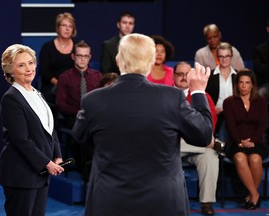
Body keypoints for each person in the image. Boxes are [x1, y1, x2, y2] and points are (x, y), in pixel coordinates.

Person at [71, 33, 213, 216]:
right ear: (151, 61)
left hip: (109, 201)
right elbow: (203, 136)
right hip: (163, 203)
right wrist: (199, 92)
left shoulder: (93, 100)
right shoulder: (172, 98)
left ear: (118, 59)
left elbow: (78, 136)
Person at [0, 44, 64, 216]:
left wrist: (57, 156)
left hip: (39, 174)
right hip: (21, 174)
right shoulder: (11, 98)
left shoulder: (36, 93)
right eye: (21, 65)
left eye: (31, 63)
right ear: (10, 71)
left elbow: (50, 129)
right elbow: (21, 140)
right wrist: (46, 163)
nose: (29, 68)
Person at [173, 61, 218, 215]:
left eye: (187, 74)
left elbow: (209, 123)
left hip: (194, 143)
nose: (184, 77)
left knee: (210, 155)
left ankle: (206, 202)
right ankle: (214, 144)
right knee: (209, 145)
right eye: (180, 74)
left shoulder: (203, 96)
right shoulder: (164, 95)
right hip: (173, 144)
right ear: (173, 76)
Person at [223, 69, 268, 210]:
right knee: (240, 158)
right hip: (236, 142)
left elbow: (263, 124)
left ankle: (250, 196)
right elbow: (230, 126)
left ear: (252, 85)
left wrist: (253, 141)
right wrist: (240, 142)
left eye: (247, 83)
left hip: (257, 142)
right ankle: (255, 195)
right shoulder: (229, 102)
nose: (243, 86)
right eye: (241, 82)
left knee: (255, 159)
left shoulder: (260, 101)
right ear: (237, 85)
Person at [56, 40, 102, 129]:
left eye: (86, 56)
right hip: (73, 117)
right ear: (73, 56)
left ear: (90, 57)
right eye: (79, 55)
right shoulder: (64, 77)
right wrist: (77, 111)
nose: (83, 59)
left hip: (93, 116)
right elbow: (60, 104)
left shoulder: (98, 76)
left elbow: (102, 100)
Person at [39, 12, 77, 105]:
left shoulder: (78, 47)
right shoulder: (47, 47)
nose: (67, 29)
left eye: (70, 26)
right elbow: (44, 71)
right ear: (58, 27)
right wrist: (59, 83)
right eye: (64, 25)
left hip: (74, 86)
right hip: (52, 86)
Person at [206, 42, 238, 141]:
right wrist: (213, 110)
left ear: (231, 56)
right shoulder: (209, 76)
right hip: (215, 114)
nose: (224, 59)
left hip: (235, 114)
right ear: (217, 57)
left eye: (227, 56)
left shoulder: (238, 76)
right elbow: (205, 97)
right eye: (221, 56)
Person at [253, 18, 269, 101]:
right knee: (260, 94)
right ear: (268, 29)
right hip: (266, 84)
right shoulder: (259, 50)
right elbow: (259, 68)